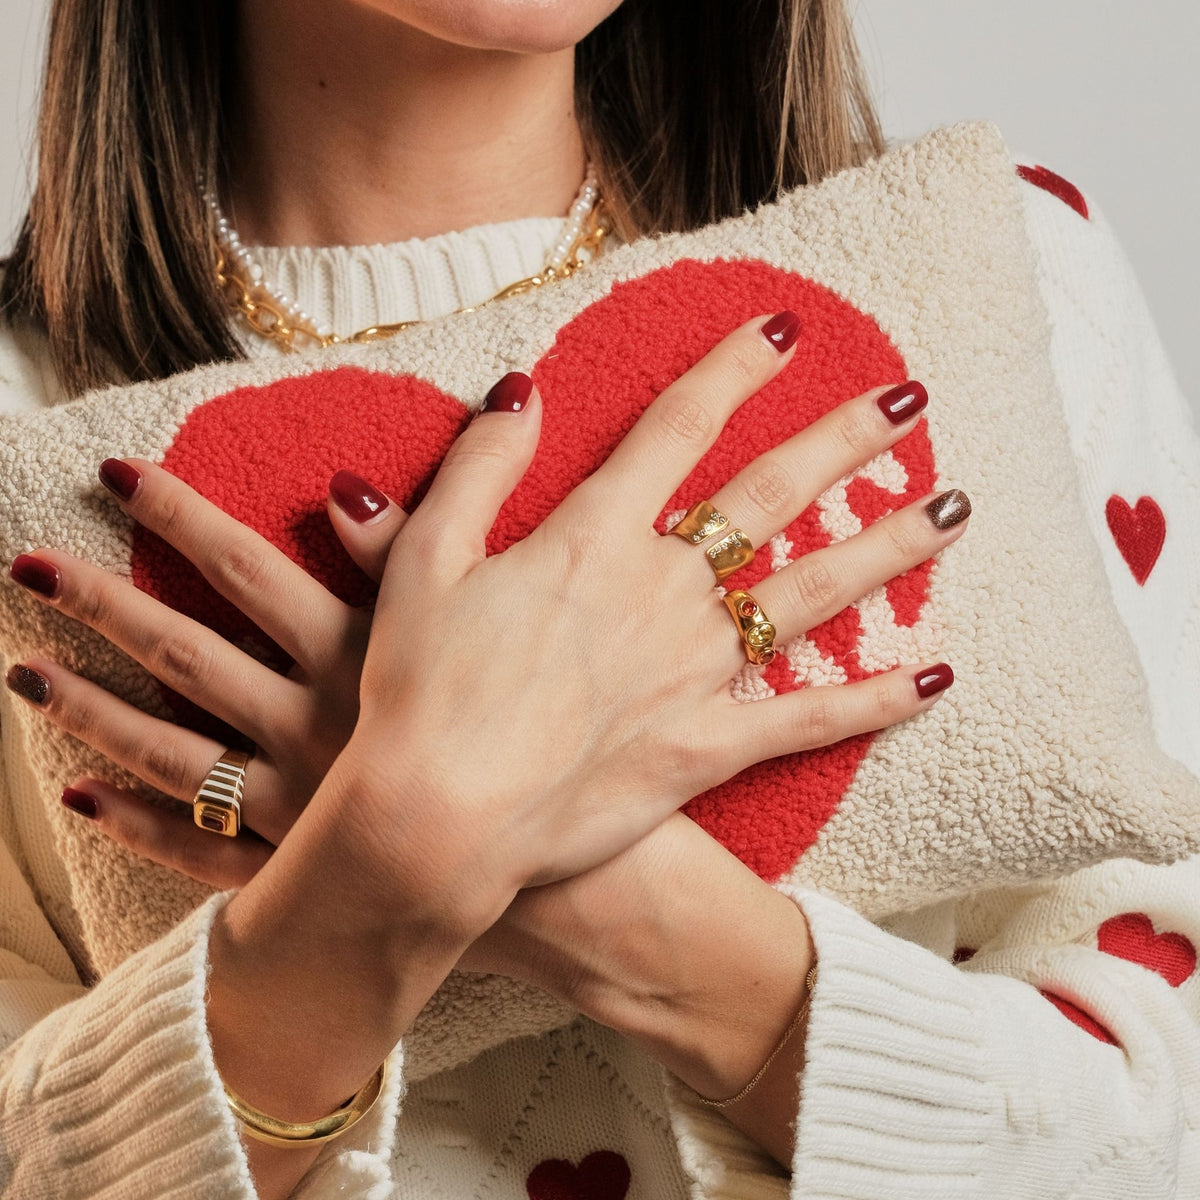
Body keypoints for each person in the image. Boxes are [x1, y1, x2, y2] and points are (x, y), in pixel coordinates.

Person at [0, 2, 1197, 1198]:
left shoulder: (1002, 274)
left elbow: (1165, 1127)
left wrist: (502, 852)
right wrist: (379, 876)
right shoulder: (20, 427)